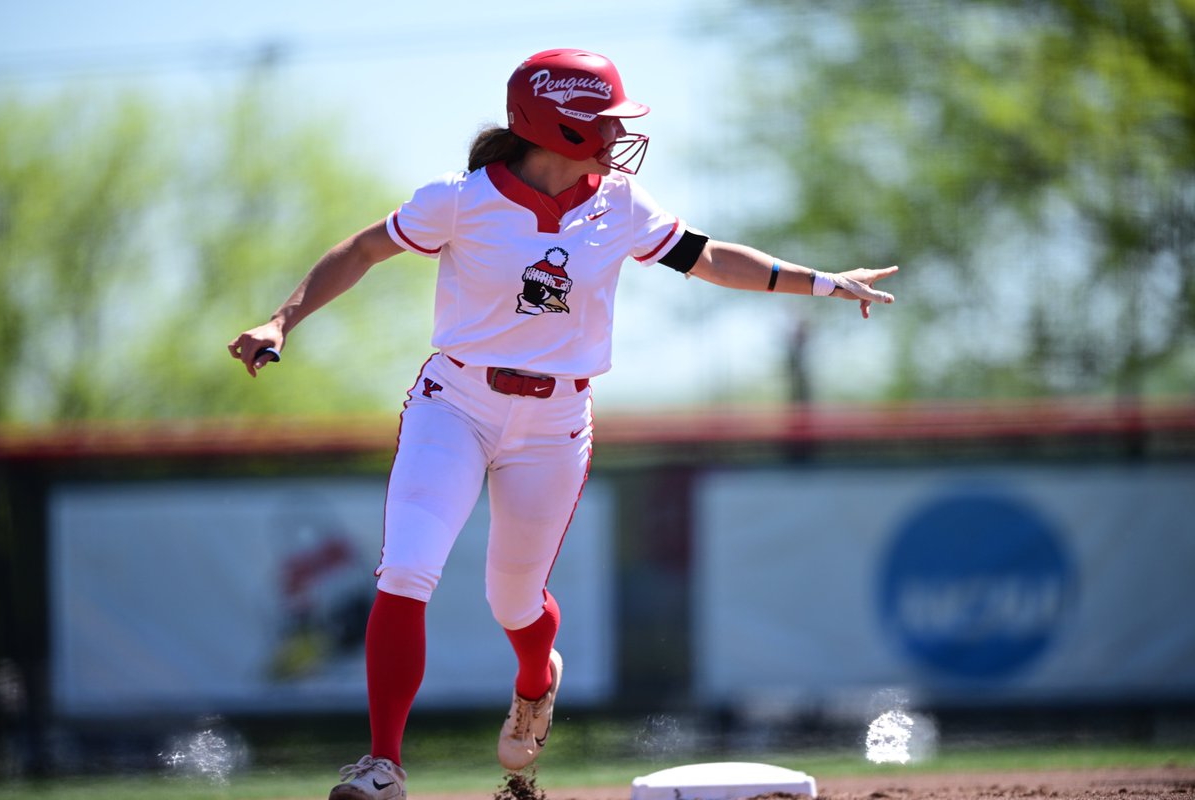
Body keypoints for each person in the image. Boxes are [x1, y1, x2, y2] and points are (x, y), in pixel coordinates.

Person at [228, 48, 897, 800]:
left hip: (554, 421)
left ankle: (534, 680)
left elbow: (708, 258)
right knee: (407, 569)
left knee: (513, 601)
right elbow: (362, 249)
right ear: (558, 123)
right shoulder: (460, 199)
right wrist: (282, 319)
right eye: (606, 118)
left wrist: (820, 281)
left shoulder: (623, 204)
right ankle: (385, 765)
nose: (618, 133)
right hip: (456, 401)